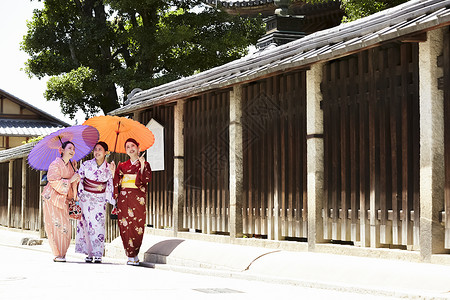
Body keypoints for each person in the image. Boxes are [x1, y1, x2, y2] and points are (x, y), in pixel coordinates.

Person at [75, 141, 116, 263]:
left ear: (106, 153)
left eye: (100, 149)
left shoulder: (109, 167)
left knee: (98, 225)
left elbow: (110, 183)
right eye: (95, 149)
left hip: (100, 199)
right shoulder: (86, 164)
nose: (97, 152)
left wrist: (113, 174)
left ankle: (98, 253)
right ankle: (89, 253)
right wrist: (78, 195)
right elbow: (79, 179)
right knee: (86, 225)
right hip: (86, 198)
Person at [113, 138, 152, 266]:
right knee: (125, 226)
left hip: (137, 199)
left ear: (138, 148)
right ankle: (130, 255)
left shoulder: (145, 164)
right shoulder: (121, 165)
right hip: (123, 200)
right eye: (128, 146)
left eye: (133, 146)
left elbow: (145, 179)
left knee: (137, 226)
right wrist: (114, 172)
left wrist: (141, 165)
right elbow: (116, 182)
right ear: (125, 150)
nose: (131, 148)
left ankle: (134, 253)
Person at [41, 141, 80, 262]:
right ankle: (57, 253)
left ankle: (63, 253)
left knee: (65, 226)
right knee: (54, 224)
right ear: (61, 150)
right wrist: (70, 180)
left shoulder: (72, 165)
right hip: (52, 198)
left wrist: (75, 177)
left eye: (73, 148)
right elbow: (53, 180)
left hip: (64, 199)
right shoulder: (55, 164)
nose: (72, 150)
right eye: (69, 148)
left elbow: (73, 180)